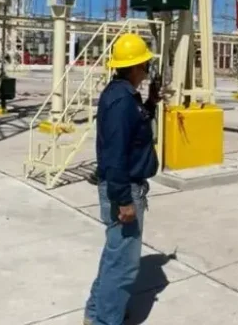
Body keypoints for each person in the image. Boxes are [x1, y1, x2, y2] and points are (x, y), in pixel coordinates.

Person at [84, 33, 161, 325]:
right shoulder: (121, 101)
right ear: (137, 66)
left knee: (114, 257)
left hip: (125, 186)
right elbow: (114, 155)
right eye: (145, 64)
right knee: (124, 266)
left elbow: (135, 129)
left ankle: (96, 312)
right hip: (124, 189)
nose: (147, 69)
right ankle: (105, 320)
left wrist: (151, 103)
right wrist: (124, 200)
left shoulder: (125, 96)